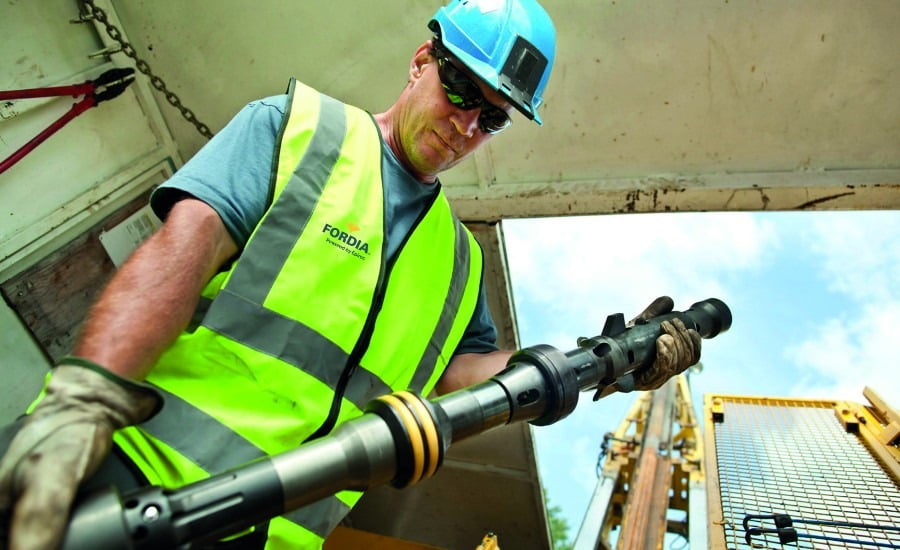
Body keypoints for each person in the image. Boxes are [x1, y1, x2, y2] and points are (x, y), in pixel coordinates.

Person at [0, 1, 701, 548]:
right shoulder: (299, 129)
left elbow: (468, 375)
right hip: (131, 473)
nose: (466, 125)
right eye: (460, 88)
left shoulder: (457, 258)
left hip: (271, 533)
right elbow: (179, 253)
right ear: (421, 60)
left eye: (492, 117)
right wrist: (84, 400)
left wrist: (605, 363)